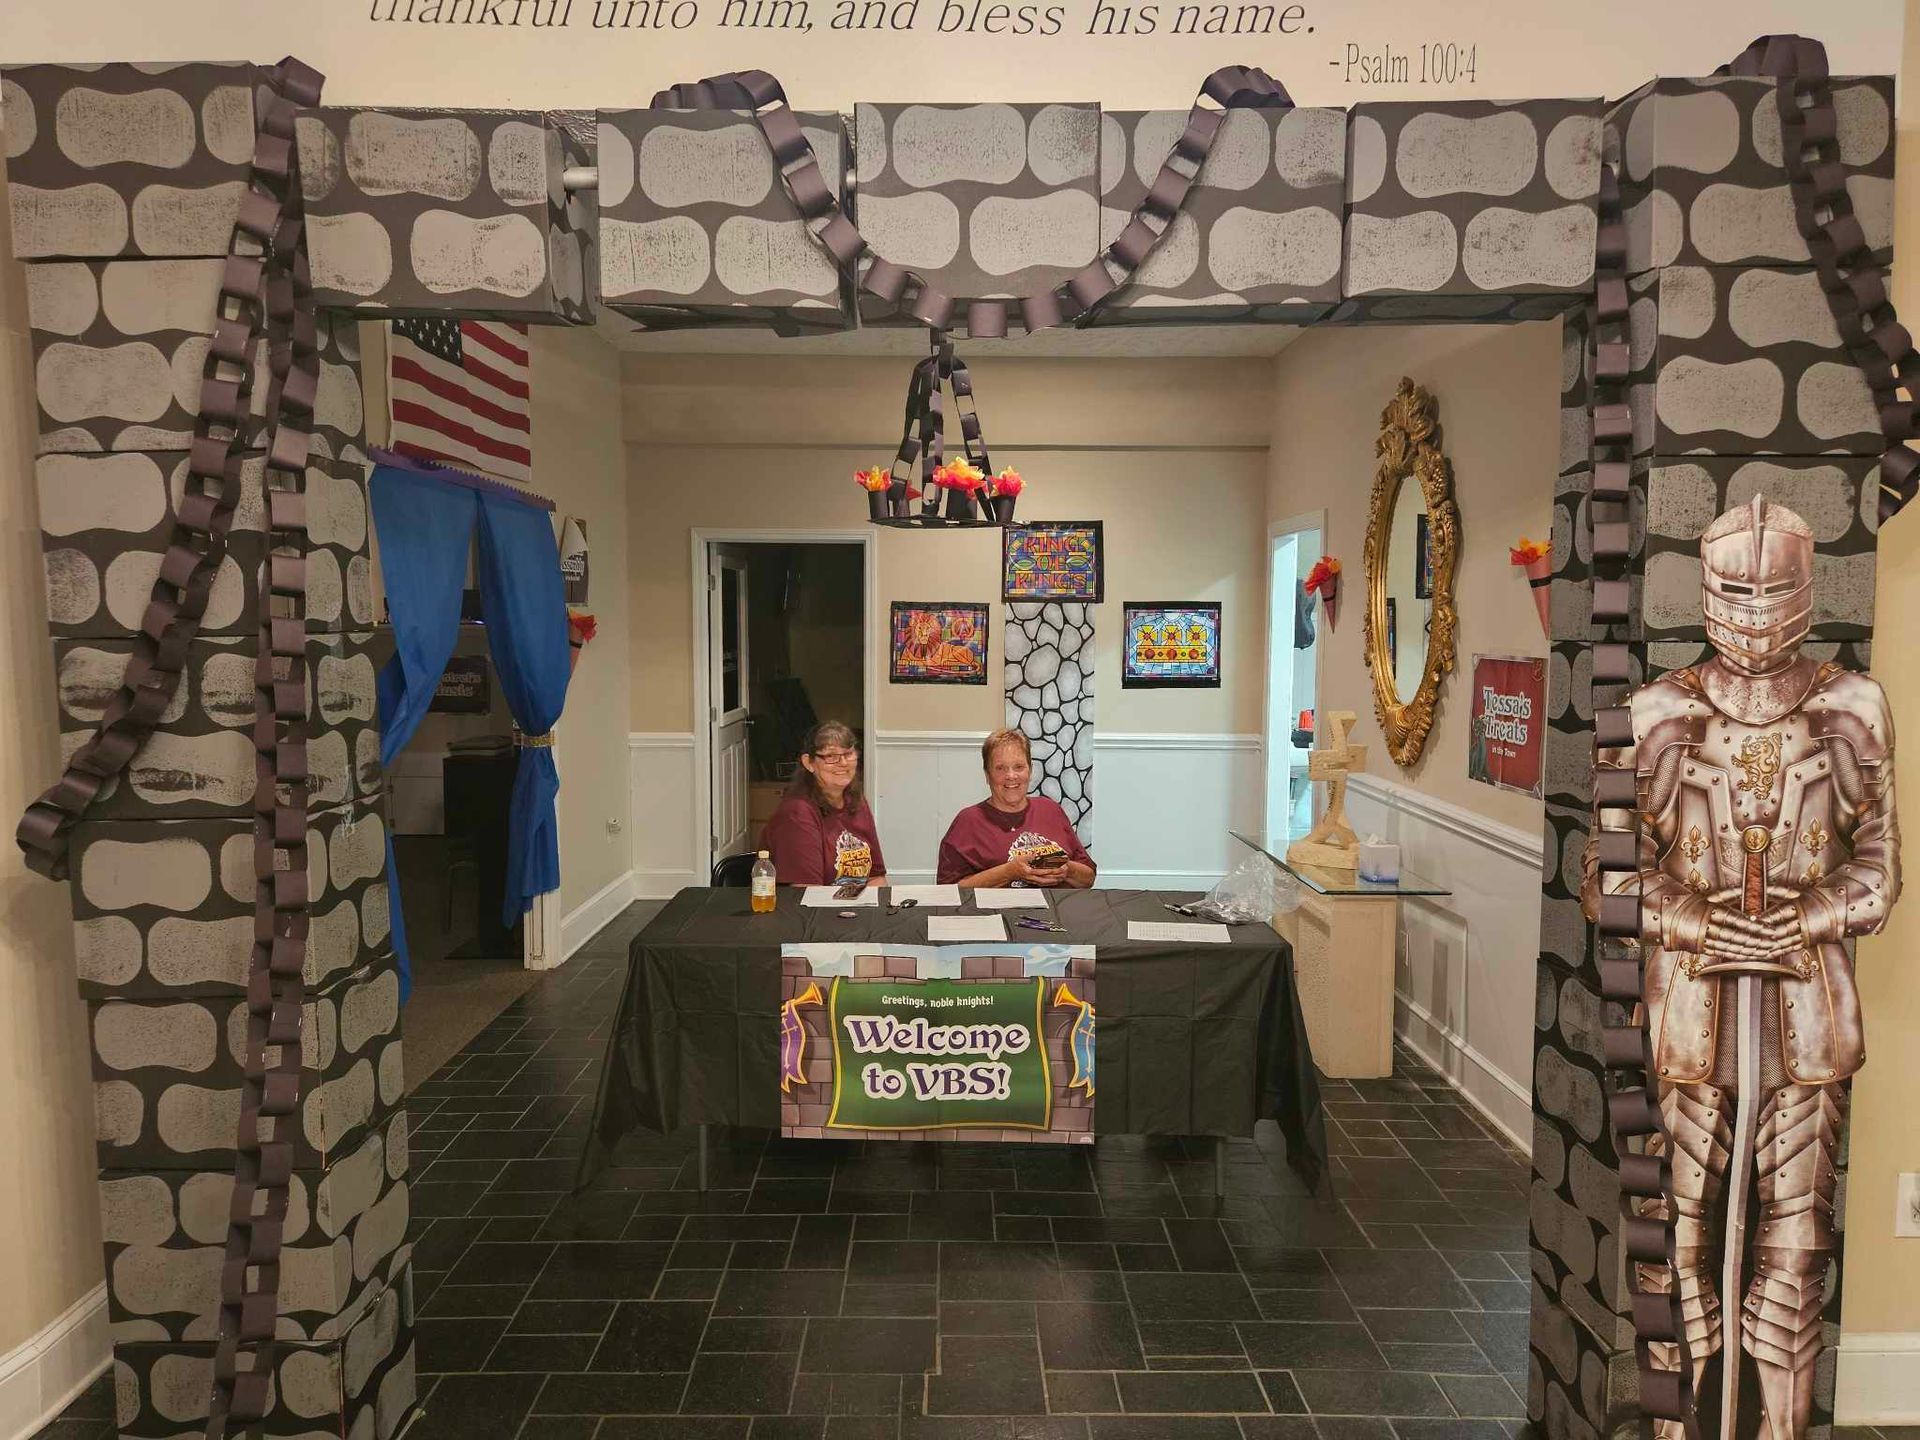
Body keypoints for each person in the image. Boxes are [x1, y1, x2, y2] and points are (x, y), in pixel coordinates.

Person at [1581, 497, 1899, 1440]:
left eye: (1773, 590)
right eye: (1738, 590)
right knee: (1675, 1236)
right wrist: (1692, 919)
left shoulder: (1852, 706)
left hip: (1808, 1004)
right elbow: (1609, 875)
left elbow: (1879, 870)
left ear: (1808, 587)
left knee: (1796, 1247)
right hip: (1690, 1006)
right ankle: (1676, 1426)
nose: (1756, 612)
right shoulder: (1654, 712)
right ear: (1708, 591)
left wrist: (1808, 913)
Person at [937, 727, 1095, 888]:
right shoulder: (968, 821)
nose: (1011, 776)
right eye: (1000, 768)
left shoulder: (1051, 810)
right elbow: (948, 891)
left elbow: (1088, 878)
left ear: (1030, 770)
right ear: (987, 775)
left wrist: (1066, 869)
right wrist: (1010, 872)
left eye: (1019, 767)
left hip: (1059, 903)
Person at [759, 721, 888, 886]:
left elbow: (877, 877)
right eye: (831, 756)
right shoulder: (797, 813)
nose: (843, 763)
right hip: (812, 901)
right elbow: (807, 891)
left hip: (856, 901)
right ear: (809, 763)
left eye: (848, 753)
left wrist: (872, 902)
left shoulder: (856, 800)